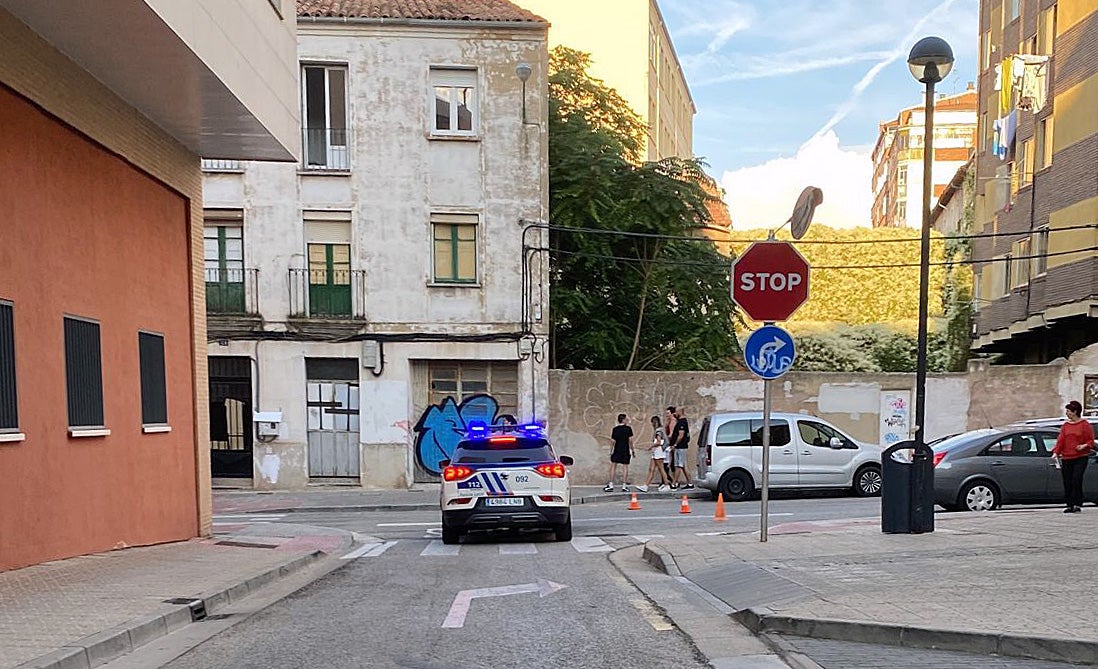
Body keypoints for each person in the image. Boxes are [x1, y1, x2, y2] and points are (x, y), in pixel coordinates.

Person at [1052, 400, 1095, 513]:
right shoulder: (1066, 426)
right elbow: (1061, 440)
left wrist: (1083, 446)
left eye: (1068, 411)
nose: (1067, 413)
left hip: (1080, 457)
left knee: (1076, 479)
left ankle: (1077, 503)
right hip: (1067, 457)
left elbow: (1090, 440)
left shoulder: (1084, 425)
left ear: (1075, 412)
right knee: (1067, 480)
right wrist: (1056, 452)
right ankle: (1069, 504)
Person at [637, 415, 670, 492]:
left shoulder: (658, 431)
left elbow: (658, 442)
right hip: (656, 452)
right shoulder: (660, 430)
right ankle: (646, 486)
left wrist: (651, 446)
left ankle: (667, 485)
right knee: (651, 469)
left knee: (661, 469)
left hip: (659, 451)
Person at [604, 413, 634, 493]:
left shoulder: (615, 429)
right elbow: (630, 440)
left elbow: (613, 441)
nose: (627, 420)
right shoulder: (628, 429)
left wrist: (610, 451)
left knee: (613, 466)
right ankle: (624, 486)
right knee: (625, 467)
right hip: (625, 450)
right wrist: (632, 450)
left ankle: (611, 485)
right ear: (623, 420)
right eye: (626, 419)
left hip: (617, 450)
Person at [669, 406, 694, 489]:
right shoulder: (681, 421)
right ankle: (690, 483)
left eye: (676, 412)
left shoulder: (682, 422)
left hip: (680, 447)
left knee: (678, 465)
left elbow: (681, 435)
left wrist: (675, 444)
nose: (675, 413)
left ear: (680, 412)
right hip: (680, 447)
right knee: (683, 465)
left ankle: (674, 483)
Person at [663, 406, 678, 488]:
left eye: (668, 413)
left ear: (672, 413)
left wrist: (665, 440)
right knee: (670, 463)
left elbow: (671, 434)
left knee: (671, 463)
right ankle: (672, 480)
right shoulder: (669, 421)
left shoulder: (673, 421)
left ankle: (674, 480)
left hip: (671, 443)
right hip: (670, 443)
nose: (667, 415)